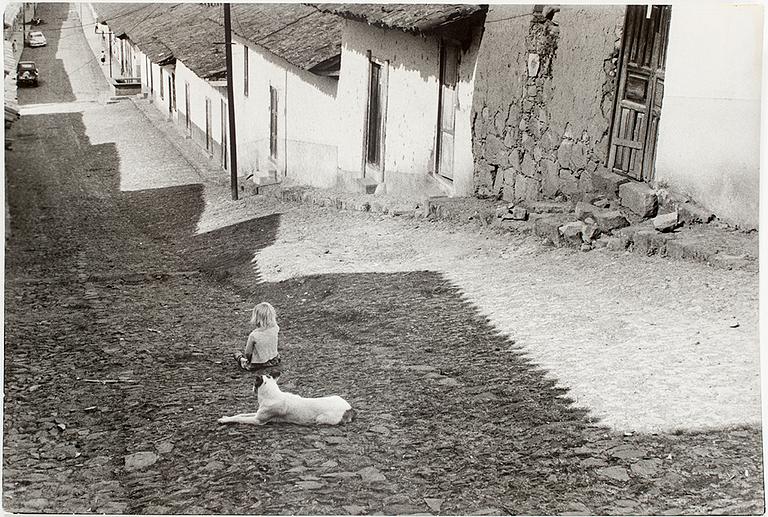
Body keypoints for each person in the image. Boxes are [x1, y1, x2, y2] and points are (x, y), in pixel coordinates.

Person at [234, 302, 281, 371]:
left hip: (257, 364)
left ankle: (241, 359)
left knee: (237, 354)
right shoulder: (276, 328)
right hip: (275, 360)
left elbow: (248, 353)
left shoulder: (254, 335)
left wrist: (248, 360)